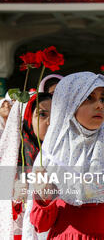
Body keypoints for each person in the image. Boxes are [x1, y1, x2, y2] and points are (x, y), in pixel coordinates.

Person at [25, 72, 104, 239]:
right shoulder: (50, 158)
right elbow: (40, 225)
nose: (99, 105)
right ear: (69, 105)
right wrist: (45, 197)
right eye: (89, 98)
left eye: (102, 99)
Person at [0, 93, 52, 240]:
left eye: (55, 115)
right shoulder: (11, 158)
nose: (50, 122)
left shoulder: (62, 154)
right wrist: (15, 200)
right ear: (26, 118)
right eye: (42, 114)